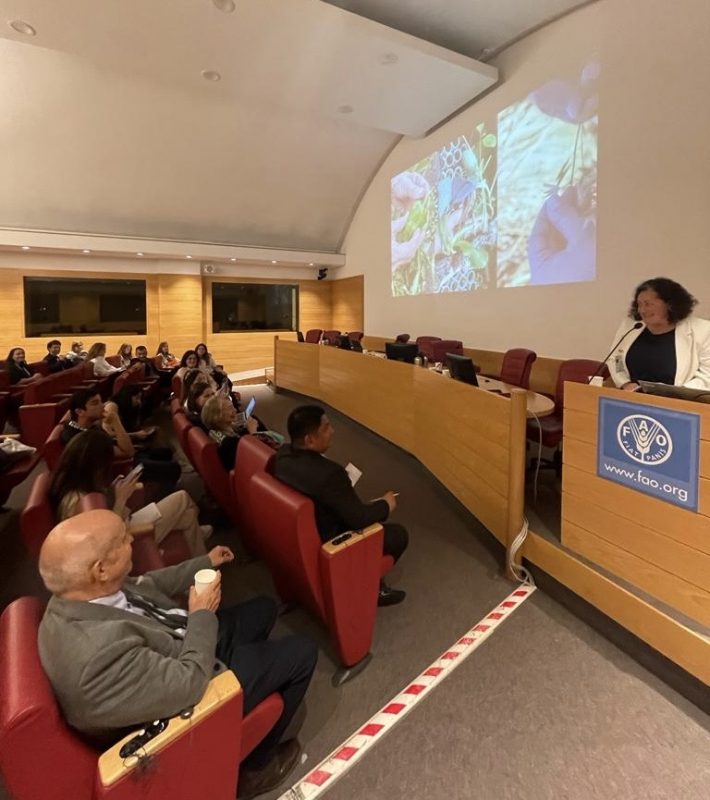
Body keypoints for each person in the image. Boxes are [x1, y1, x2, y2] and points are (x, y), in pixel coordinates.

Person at [37, 510, 317, 798]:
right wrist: (202, 614)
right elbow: (191, 682)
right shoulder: (96, 655)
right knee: (303, 652)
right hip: (190, 691)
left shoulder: (81, 594)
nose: (131, 538)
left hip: (176, 643)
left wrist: (205, 563)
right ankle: (254, 770)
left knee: (264, 608)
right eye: (122, 539)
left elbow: (149, 585)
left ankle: (256, 670)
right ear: (101, 569)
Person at [273, 405, 408, 606]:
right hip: (333, 540)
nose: (333, 431)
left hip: (306, 530)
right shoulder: (330, 474)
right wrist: (385, 505)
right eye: (326, 428)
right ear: (310, 440)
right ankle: (372, 587)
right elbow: (358, 518)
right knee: (398, 535)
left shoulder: (282, 456)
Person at [49, 430, 211, 556]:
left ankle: (202, 565)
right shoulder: (79, 501)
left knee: (188, 517)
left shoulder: (76, 485)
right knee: (183, 499)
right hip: (121, 539)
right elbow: (108, 540)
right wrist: (120, 499)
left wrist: (113, 491)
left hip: (121, 524)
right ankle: (202, 558)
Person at [62, 388, 181, 494]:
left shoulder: (90, 427)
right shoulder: (82, 438)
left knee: (165, 452)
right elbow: (128, 452)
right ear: (79, 412)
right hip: (117, 470)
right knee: (174, 468)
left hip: (120, 461)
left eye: (101, 401)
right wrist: (115, 420)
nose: (102, 406)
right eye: (95, 403)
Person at [608, 277, 710, 391]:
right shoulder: (631, 325)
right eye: (639, 304)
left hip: (678, 402)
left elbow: (707, 376)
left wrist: (675, 393)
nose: (642, 310)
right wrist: (625, 383)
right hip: (632, 397)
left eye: (648, 304)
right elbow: (616, 358)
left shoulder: (703, 330)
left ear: (670, 304)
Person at [201, 394, 258, 470]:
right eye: (230, 408)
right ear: (218, 416)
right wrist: (253, 432)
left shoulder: (214, 432)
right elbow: (253, 456)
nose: (235, 410)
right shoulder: (228, 442)